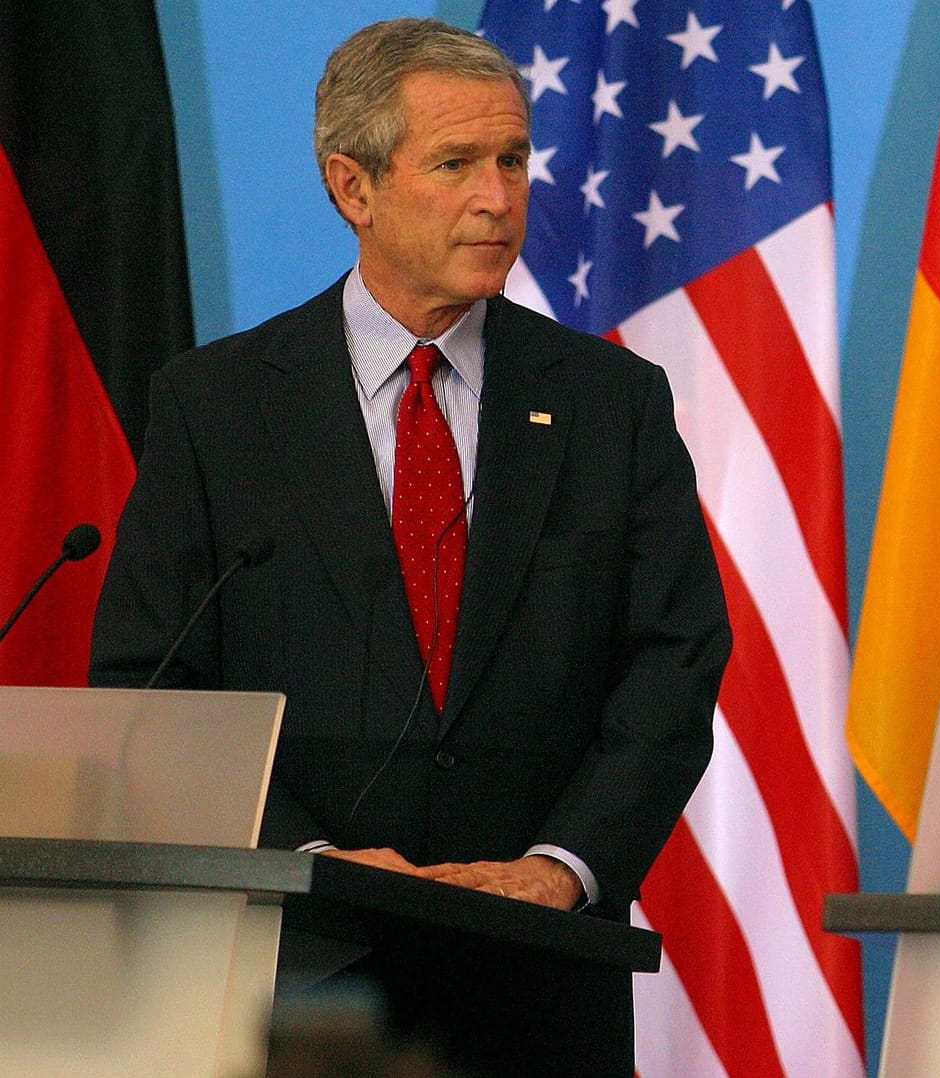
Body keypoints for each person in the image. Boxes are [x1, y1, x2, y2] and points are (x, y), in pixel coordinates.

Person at [89, 18, 730, 1076]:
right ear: (354, 186)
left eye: (514, 159)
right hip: (292, 976)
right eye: (456, 164)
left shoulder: (613, 401)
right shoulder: (216, 406)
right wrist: (313, 862)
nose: (499, 196)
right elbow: (153, 685)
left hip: (540, 981)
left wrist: (560, 867)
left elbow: (675, 661)